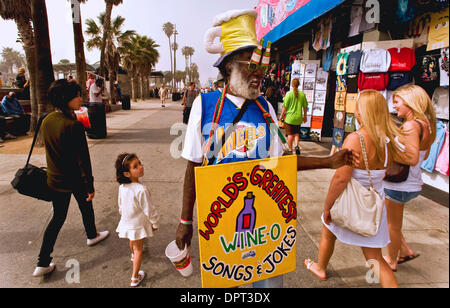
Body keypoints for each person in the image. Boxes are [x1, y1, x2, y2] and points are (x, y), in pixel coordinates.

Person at [177, 9, 358, 289]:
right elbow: (193, 165)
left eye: (262, 67)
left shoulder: (266, 108)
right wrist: (185, 221)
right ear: (228, 67)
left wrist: (329, 161)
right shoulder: (205, 106)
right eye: (251, 66)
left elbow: (283, 162)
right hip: (223, 225)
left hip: (266, 226)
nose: (259, 75)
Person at [304, 90, 405, 288]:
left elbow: (341, 178)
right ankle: (320, 266)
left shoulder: (356, 139)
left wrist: (327, 206)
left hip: (350, 201)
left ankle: (320, 267)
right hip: (373, 204)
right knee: (375, 257)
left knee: (328, 229)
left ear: (361, 112)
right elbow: (386, 171)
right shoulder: (387, 140)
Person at [33, 80, 109, 277]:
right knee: (86, 202)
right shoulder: (73, 125)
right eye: (76, 95)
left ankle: (42, 261)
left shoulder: (47, 120)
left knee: (58, 218)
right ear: (66, 99)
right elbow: (83, 160)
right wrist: (90, 185)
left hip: (55, 179)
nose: (80, 98)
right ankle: (91, 235)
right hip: (74, 179)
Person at [383, 85, 437, 272]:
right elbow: (423, 154)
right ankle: (405, 250)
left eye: (397, 102)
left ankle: (391, 260)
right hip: (410, 183)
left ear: (410, 103)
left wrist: (388, 151)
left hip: (400, 185)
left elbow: (412, 158)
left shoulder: (410, 126)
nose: (394, 106)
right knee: (390, 220)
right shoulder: (425, 125)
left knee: (392, 225)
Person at [115, 153, 160, 287]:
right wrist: (155, 223)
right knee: (139, 248)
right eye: (136, 166)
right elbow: (149, 210)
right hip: (138, 224)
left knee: (133, 242)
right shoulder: (141, 190)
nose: (141, 167)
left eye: (139, 163)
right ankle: (135, 277)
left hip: (128, 222)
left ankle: (133, 256)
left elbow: (120, 205)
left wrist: (123, 216)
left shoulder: (122, 188)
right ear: (127, 174)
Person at [279, 78, 308, 155]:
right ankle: (297, 146)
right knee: (296, 133)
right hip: (298, 118)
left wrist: (281, 116)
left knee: (290, 134)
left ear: (292, 84)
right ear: (298, 84)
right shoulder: (302, 94)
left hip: (289, 118)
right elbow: (305, 107)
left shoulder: (288, 94)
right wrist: (305, 116)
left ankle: (290, 149)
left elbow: (284, 107)